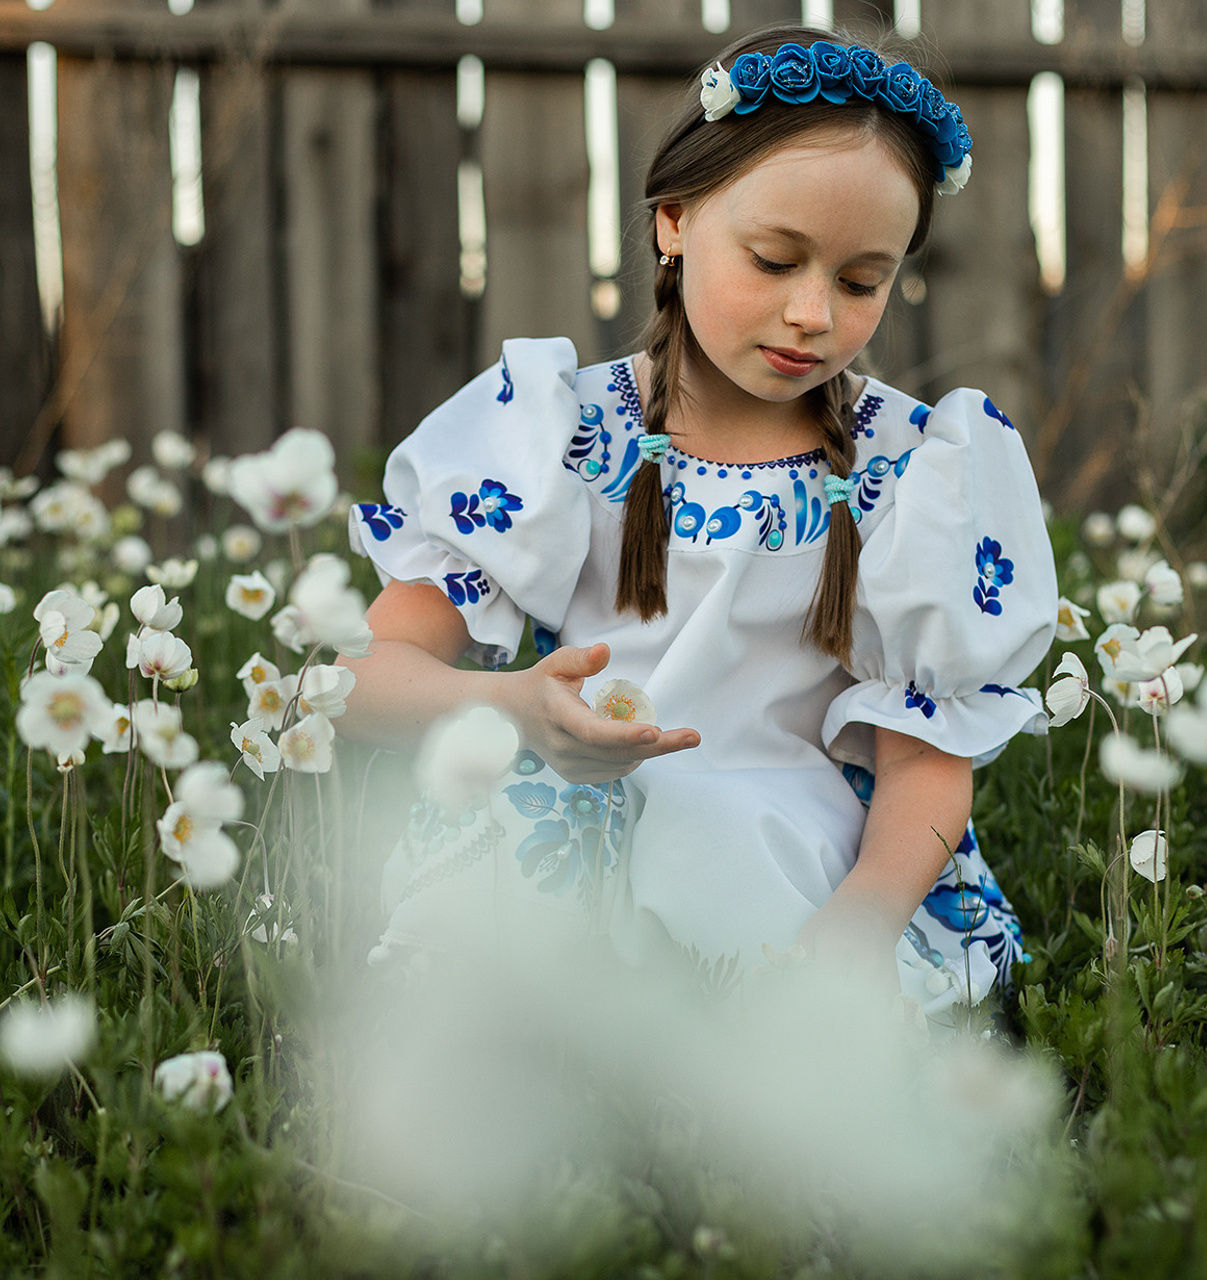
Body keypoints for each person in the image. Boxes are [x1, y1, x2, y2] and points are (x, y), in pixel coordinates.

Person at [337, 26, 1055, 1013]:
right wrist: (515, 710)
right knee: (514, 905)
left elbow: (926, 767)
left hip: (786, 848)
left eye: (861, 282)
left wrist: (856, 929)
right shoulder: (554, 432)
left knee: (717, 861)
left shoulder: (911, 469)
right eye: (774, 259)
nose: (813, 314)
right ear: (674, 219)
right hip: (572, 811)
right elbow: (360, 676)